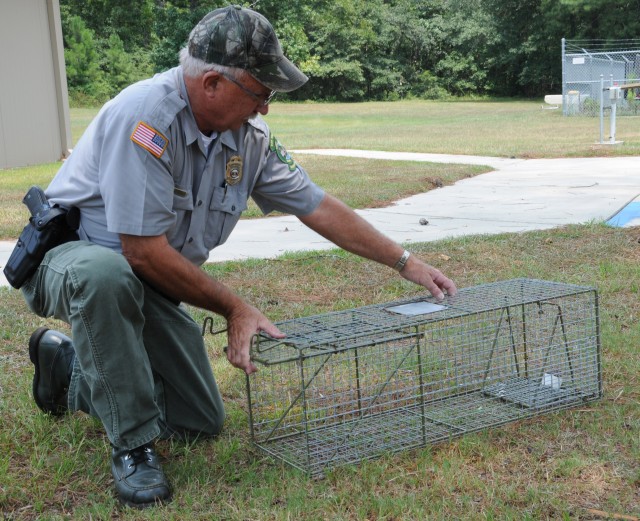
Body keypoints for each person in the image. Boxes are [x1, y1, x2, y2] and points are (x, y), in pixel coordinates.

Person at [22, 5, 456, 508]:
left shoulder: (248, 138)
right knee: (106, 275)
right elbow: (139, 251)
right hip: (76, 260)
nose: (267, 107)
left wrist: (405, 261)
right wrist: (234, 307)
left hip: (148, 280)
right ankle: (133, 449)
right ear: (211, 84)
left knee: (199, 419)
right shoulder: (145, 119)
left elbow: (316, 205)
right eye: (261, 92)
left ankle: (66, 365)